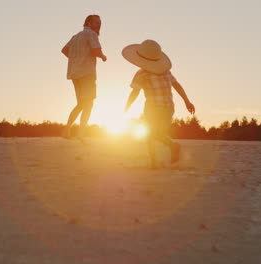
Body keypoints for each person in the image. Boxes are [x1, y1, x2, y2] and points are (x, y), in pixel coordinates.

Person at [123, 39, 195, 168]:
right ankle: (154, 161)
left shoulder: (144, 73)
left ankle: (171, 148)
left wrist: (128, 105)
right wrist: (186, 101)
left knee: (155, 134)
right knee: (153, 134)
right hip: (161, 107)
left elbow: (135, 92)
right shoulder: (161, 72)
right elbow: (176, 86)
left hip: (159, 107)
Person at [61, 14, 107, 140]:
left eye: (100, 23)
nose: (99, 25)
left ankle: (67, 130)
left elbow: (64, 50)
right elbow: (95, 51)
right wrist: (103, 56)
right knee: (89, 103)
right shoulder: (91, 34)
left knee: (81, 103)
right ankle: (81, 133)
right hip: (87, 73)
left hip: (75, 74)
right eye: (96, 22)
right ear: (88, 23)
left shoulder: (75, 37)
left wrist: (76, 59)